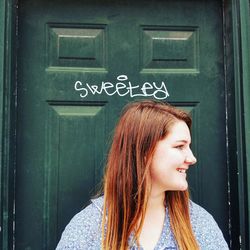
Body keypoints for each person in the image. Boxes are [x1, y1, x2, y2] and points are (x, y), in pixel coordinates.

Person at [56, 100, 229, 250]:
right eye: (179, 146)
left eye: (188, 146)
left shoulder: (198, 223)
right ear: (144, 151)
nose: (192, 158)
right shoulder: (89, 228)